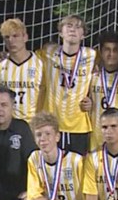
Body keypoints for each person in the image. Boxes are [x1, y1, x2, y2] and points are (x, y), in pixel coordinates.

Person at [39, 15, 98, 155]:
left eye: (78, 27)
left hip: (79, 124)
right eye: (69, 26)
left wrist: (91, 100)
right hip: (52, 124)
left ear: (83, 35)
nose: (73, 30)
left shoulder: (92, 55)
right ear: (60, 32)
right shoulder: (48, 52)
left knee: (77, 170)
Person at [0, 17, 45, 122]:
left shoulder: (40, 63)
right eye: (7, 37)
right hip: (7, 124)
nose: (11, 40)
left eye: (15, 36)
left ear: (25, 37)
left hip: (33, 123)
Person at [87, 32, 118, 149]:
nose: (111, 54)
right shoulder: (92, 75)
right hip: (96, 137)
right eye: (107, 49)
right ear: (100, 52)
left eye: (115, 50)